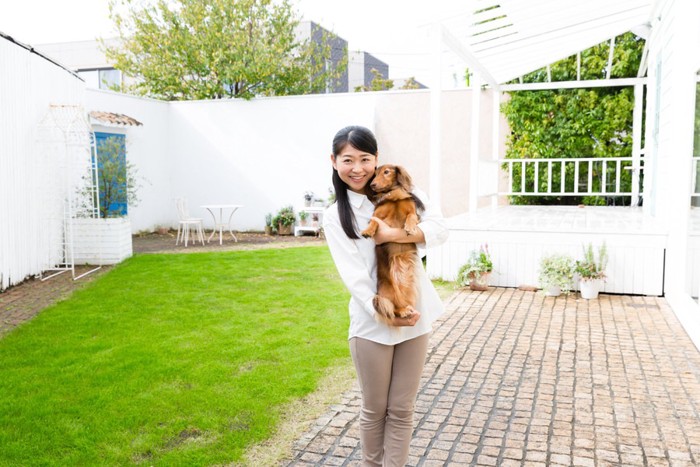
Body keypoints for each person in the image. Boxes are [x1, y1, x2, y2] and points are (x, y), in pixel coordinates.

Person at [323, 125, 449, 466]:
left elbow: (439, 229)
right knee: (375, 408)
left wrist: (393, 233)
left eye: (365, 159)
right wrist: (387, 313)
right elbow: (354, 277)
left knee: (403, 408)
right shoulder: (335, 216)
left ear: (376, 159)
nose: (358, 168)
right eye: (348, 160)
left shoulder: (406, 191)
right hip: (372, 323)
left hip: (414, 317)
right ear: (334, 162)